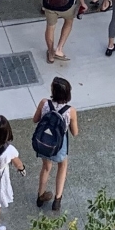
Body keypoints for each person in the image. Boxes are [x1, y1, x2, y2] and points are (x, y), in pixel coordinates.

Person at [33, 77, 80, 211]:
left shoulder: (44, 103)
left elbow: (35, 119)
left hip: (43, 140)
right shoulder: (70, 111)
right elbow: (75, 132)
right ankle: (57, 199)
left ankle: (40, 196)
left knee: (46, 167)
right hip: (59, 143)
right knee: (62, 165)